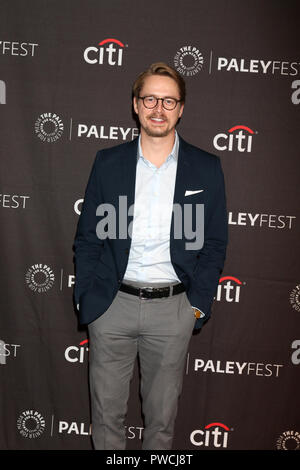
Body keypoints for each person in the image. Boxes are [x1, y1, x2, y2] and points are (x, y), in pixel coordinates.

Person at [73, 62, 228, 450]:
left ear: (181, 109)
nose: (159, 108)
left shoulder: (206, 168)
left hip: (173, 310)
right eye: (150, 99)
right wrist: (87, 299)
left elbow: (214, 244)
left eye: (169, 101)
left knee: (161, 424)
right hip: (111, 305)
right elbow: (89, 237)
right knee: (106, 419)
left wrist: (196, 306)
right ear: (136, 105)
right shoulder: (108, 163)